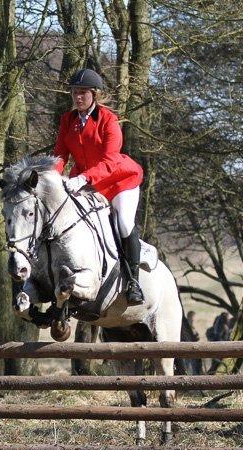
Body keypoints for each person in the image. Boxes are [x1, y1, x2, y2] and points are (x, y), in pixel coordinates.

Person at [53, 68, 146, 305]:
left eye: (82, 92)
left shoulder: (108, 120)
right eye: (74, 92)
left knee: (123, 222)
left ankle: (133, 282)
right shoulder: (68, 120)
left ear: (95, 94)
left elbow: (109, 160)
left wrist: (83, 179)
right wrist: (52, 178)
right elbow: (60, 156)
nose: (77, 97)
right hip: (85, 182)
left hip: (118, 181)